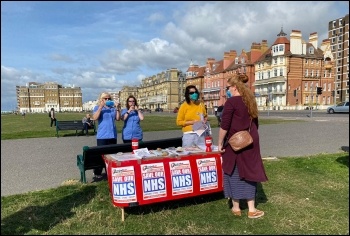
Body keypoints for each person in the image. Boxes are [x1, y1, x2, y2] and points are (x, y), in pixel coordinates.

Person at [217, 73, 268, 219]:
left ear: (234, 87)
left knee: (233, 171)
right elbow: (256, 123)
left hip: (235, 142)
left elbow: (224, 126)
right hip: (251, 140)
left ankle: (236, 207)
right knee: (250, 172)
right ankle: (252, 209)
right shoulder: (250, 100)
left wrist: (220, 143)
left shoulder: (231, 102)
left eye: (228, 87)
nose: (227, 90)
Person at [92, 92, 121, 179]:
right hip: (102, 135)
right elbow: (95, 118)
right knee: (101, 155)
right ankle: (97, 172)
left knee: (112, 155)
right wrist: (100, 107)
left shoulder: (112, 108)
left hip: (112, 134)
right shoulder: (97, 107)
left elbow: (118, 118)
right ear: (101, 99)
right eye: (105, 98)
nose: (107, 100)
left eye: (109, 98)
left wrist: (117, 108)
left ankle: (109, 171)